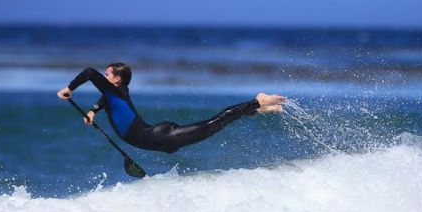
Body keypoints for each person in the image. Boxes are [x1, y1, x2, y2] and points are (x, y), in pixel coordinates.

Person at [57, 63, 285, 153]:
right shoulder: (116, 93)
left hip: (160, 136)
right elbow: (107, 101)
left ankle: (257, 101)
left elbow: (88, 72)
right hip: (158, 137)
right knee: (214, 126)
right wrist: (93, 111)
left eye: (108, 75)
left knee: (213, 124)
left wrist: (69, 88)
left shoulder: (116, 91)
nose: (104, 78)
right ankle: (255, 110)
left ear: (117, 79)